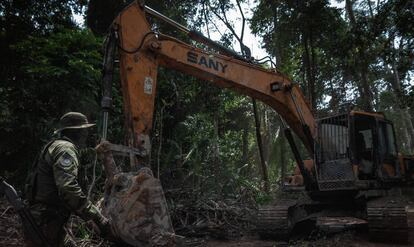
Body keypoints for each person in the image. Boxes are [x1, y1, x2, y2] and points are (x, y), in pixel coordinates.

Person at [24, 112, 111, 247]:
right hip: (46, 221)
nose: (87, 134)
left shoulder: (58, 146)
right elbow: (68, 188)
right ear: (77, 132)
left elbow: (78, 158)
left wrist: (96, 152)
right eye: (84, 130)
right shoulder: (66, 149)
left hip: (44, 218)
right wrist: (97, 216)